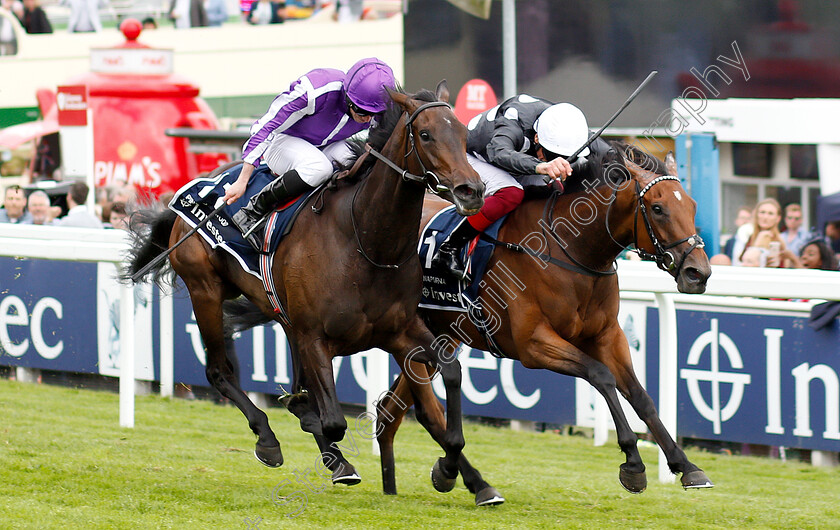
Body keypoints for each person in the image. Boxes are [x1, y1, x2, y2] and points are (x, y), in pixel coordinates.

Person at [224, 57, 397, 250]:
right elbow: (267, 126)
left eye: (372, 114)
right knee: (319, 168)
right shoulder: (315, 90)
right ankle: (253, 210)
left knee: (359, 162)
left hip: (327, 145)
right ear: (347, 95)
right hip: (282, 142)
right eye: (361, 110)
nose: (366, 119)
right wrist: (242, 180)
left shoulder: (381, 107)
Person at [431, 95, 589, 279]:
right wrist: (539, 166)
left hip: (511, 160)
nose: (554, 161)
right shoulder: (515, 118)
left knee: (555, 191)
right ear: (537, 137)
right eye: (550, 154)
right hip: (474, 155)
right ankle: (450, 247)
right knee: (511, 193)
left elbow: (603, 152)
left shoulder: (568, 127)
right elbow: (499, 152)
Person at [731, 198, 784, 266]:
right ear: (756, 214)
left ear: (778, 218)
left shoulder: (779, 241)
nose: (765, 217)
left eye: (770, 213)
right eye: (762, 212)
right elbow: (743, 261)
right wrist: (758, 240)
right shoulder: (750, 236)